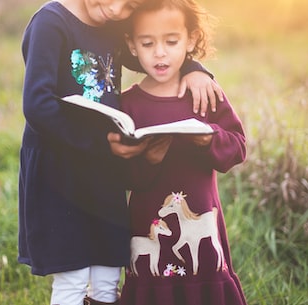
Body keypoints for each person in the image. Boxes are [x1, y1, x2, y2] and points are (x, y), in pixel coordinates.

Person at [18, 0, 224, 305]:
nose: (116, 11)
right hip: (59, 173)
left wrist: (195, 69)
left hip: (104, 172)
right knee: (73, 275)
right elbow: (37, 104)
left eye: (130, 7)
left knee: (108, 274)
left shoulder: (112, 26)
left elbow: (156, 58)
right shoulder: (51, 23)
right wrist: (102, 142)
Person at [116, 0, 248, 304]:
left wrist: (209, 139)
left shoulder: (203, 93)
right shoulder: (128, 105)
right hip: (148, 220)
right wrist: (148, 160)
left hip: (201, 213)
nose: (160, 52)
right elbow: (121, 174)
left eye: (171, 41)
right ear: (132, 45)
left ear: (190, 39)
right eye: (147, 43)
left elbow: (238, 146)